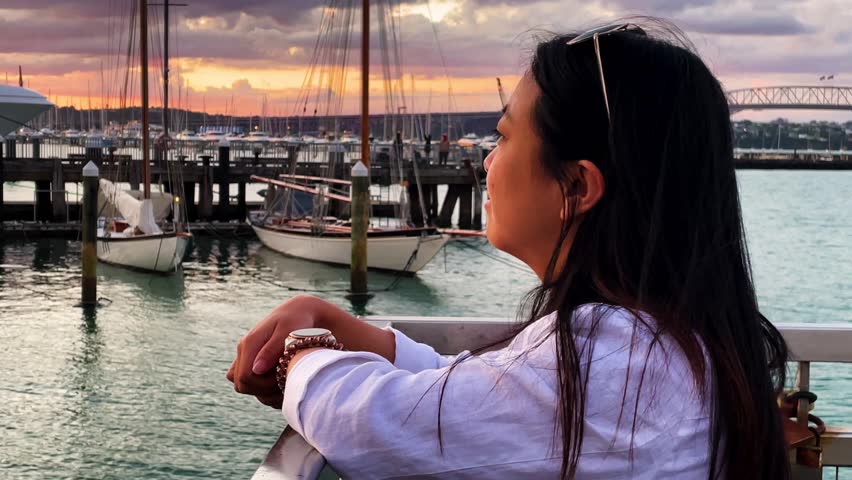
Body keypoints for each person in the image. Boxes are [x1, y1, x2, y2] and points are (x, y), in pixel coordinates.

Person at [228, 19, 789, 479]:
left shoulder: (614, 366)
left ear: (575, 186)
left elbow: (373, 423)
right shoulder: (662, 344)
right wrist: (334, 321)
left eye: (504, 136)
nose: (487, 164)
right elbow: (490, 393)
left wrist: (303, 354)